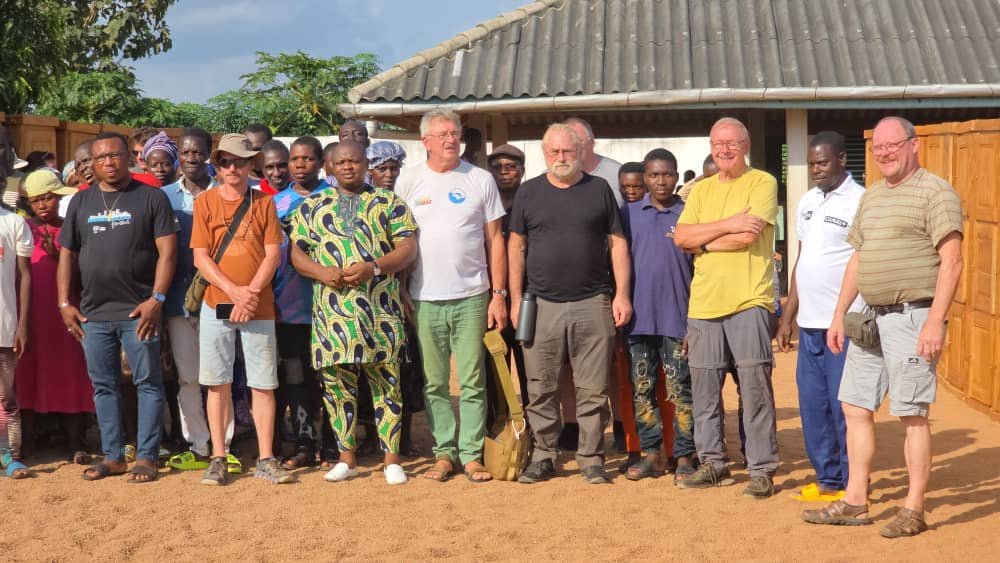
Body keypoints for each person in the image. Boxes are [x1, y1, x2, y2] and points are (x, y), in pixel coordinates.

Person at [804, 117, 963, 538]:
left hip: (913, 317)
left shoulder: (935, 192)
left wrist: (935, 321)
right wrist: (839, 314)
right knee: (855, 406)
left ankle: (913, 509)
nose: (885, 153)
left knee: (912, 413)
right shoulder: (872, 196)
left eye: (893, 145)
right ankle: (856, 500)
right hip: (869, 317)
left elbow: (952, 261)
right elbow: (858, 259)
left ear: (914, 145)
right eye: (878, 148)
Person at [509, 123, 633, 485]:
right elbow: (516, 247)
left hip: (592, 302)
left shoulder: (599, 190)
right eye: (555, 152)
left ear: (580, 152)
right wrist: (514, 299)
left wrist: (622, 294)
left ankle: (591, 458)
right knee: (540, 386)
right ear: (544, 153)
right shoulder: (529, 192)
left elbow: (617, 243)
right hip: (540, 304)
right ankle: (544, 455)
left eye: (567, 151)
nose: (561, 158)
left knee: (593, 388)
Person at [289, 141, 419, 484]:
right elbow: (296, 253)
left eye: (355, 161)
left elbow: (408, 248)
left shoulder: (389, 202)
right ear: (330, 167)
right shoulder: (312, 206)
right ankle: (347, 459)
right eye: (342, 161)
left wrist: (373, 268)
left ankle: (391, 460)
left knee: (387, 386)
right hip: (332, 315)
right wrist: (320, 272)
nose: (348, 166)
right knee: (336, 388)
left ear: (366, 165)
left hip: (380, 313)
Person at [394, 109, 507, 483]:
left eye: (454, 133)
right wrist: (401, 286)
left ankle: (471, 455)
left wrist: (498, 294)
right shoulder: (409, 181)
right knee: (435, 381)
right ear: (425, 141)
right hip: (424, 298)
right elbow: (400, 240)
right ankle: (444, 453)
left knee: (473, 380)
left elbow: (495, 240)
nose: (450, 139)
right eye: (442, 134)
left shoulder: (480, 179)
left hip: (472, 295)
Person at [58, 131, 178, 484]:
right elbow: (67, 254)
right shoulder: (81, 202)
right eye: (101, 158)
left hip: (139, 312)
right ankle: (112, 457)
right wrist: (64, 302)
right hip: (93, 313)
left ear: (129, 157)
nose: (108, 162)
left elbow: (168, 253)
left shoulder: (151, 198)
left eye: (115, 155)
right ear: (91, 164)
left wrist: (156, 299)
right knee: (104, 386)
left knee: (148, 384)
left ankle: (146, 457)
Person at [673, 117, 780, 498]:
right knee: (704, 391)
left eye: (731, 143)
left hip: (749, 300)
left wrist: (703, 242)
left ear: (745, 145)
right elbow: (681, 237)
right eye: (717, 144)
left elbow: (746, 237)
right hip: (703, 304)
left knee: (754, 390)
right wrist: (729, 223)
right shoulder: (701, 190)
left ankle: (761, 469)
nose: (724, 150)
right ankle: (713, 464)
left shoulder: (762, 182)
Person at [191, 133, 293, 486]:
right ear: (217, 166)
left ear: (251, 165)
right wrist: (237, 293)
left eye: (239, 162)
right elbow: (201, 257)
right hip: (218, 303)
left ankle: (266, 457)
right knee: (217, 382)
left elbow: (273, 254)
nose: (232, 168)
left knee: (263, 383)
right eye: (225, 162)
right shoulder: (205, 202)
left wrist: (249, 294)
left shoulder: (264, 203)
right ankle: (219, 456)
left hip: (257, 305)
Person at [775, 131, 864, 502]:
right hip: (808, 325)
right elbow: (802, 260)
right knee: (813, 405)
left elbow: (862, 262)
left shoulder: (860, 201)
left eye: (823, 162)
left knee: (844, 406)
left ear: (842, 159)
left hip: (843, 324)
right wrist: (787, 318)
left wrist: (843, 315)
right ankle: (828, 479)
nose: (816, 170)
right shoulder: (808, 201)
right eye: (812, 164)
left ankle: (853, 483)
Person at [621, 149, 696, 482]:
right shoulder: (628, 214)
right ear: (645, 178)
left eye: (667, 174)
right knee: (642, 389)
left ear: (677, 177)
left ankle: (685, 455)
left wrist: (695, 319)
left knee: (680, 390)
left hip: (678, 319)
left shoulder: (690, 213)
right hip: (638, 320)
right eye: (654, 175)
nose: (661, 181)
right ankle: (652, 453)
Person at [16, 171, 94, 466]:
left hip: (66, 314)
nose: (42, 205)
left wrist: (59, 255)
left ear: (58, 198)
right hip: (30, 315)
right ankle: (26, 443)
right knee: (28, 375)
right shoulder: (22, 228)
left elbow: (86, 274)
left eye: (48, 198)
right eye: (36, 200)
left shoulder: (71, 228)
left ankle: (75, 443)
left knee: (70, 374)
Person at [160, 127, 221, 471]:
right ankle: (198, 443)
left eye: (198, 152)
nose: (191, 158)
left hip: (219, 297)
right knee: (188, 376)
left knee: (221, 375)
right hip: (178, 302)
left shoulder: (226, 192)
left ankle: (223, 444)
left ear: (208, 154)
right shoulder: (164, 197)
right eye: (185, 152)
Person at [270, 137, 331, 470]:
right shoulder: (275, 203)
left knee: (329, 378)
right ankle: (304, 442)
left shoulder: (335, 198)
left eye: (307, 158)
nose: (299, 164)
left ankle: (333, 444)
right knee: (295, 377)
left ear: (321, 163)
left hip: (331, 305)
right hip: (288, 306)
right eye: (295, 159)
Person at [366, 140, 424, 457]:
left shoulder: (403, 201)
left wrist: (402, 288)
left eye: (393, 168)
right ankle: (370, 436)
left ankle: (404, 437)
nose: (389, 174)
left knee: (404, 366)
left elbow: (406, 251)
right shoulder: (361, 202)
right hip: (364, 297)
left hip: (398, 297)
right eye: (382, 169)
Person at [486, 144, 528, 398]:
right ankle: (498, 421)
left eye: (510, 167)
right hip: (491, 298)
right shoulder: (483, 205)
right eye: (497, 167)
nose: (504, 172)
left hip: (527, 297)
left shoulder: (533, 202)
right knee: (494, 369)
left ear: (522, 170)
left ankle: (532, 421)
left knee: (530, 368)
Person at [0, 177, 32, 478]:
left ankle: (10, 455)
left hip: (4, 325)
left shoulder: (14, 223)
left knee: (6, 397)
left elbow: (25, 275)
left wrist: (21, 324)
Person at [564, 117, 625, 207]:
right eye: (567, 143)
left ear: (592, 142)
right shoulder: (550, 177)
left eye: (578, 141)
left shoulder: (617, 174)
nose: (573, 147)